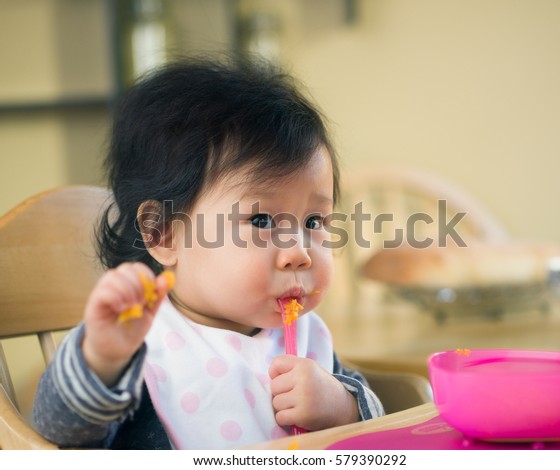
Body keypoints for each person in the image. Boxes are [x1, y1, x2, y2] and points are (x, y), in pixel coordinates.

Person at [33, 56, 384, 449]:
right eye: (263, 221)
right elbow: (57, 432)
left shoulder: (307, 337)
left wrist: (344, 407)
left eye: (314, 222)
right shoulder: (134, 339)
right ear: (163, 233)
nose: (299, 252)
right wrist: (102, 359)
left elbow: (380, 429)